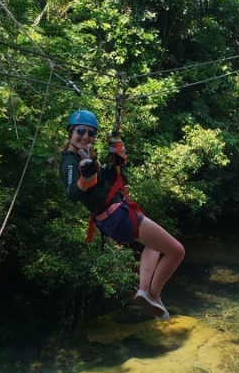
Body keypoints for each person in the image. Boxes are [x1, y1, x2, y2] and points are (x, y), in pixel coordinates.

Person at [59, 109, 185, 320]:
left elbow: (108, 181)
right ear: (71, 132)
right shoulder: (70, 162)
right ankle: (155, 294)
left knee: (154, 246)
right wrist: (84, 179)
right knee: (176, 251)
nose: (85, 136)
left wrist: (116, 159)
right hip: (116, 215)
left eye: (90, 133)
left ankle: (145, 291)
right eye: (80, 131)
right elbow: (72, 192)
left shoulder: (88, 158)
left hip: (112, 217)